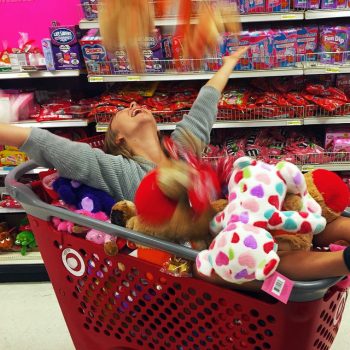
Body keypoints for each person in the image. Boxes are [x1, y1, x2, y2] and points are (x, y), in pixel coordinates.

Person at [1, 46, 350, 285]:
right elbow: (45, 144)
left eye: (137, 104)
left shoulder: (180, 148)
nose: (135, 104)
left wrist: (229, 64)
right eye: (124, 111)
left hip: (236, 214)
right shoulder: (117, 169)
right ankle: (343, 262)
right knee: (258, 254)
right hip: (202, 246)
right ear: (117, 139)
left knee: (310, 215)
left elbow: (204, 107)